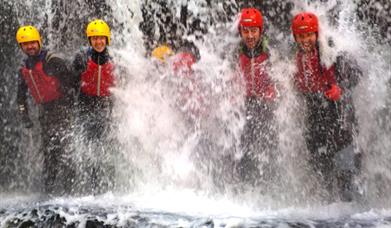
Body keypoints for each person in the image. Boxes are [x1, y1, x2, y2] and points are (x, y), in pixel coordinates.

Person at [291, 12, 362, 201]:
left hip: (340, 112)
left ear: (316, 34)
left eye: (309, 35)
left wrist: (341, 88)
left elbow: (356, 73)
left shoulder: (332, 50)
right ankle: (327, 205)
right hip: (316, 112)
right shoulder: (295, 57)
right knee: (320, 167)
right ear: (295, 37)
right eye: (301, 36)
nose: (305, 40)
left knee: (347, 170)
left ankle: (352, 206)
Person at [16, 25, 75, 195]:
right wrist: (24, 115)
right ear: (21, 46)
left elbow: (71, 82)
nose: (30, 46)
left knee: (65, 150)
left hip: (62, 109)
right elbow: (20, 96)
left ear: (39, 41)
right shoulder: (24, 68)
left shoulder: (52, 60)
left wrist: (68, 105)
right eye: (26, 44)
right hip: (45, 113)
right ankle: (48, 192)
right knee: (50, 154)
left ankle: (70, 192)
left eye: (33, 42)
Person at [235, 8, 278, 188]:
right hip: (247, 101)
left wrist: (272, 89)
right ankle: (243, 183)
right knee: (243, 141)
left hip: (266, 102)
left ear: (260, 31)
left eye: (254, 31)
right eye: (246, 31)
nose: (250, 35)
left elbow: (281, 73)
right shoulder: (236, 50)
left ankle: (267, 181)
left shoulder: (269, 49)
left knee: (267, 140)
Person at [72, 19, 116, 194]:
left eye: (102, 38)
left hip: (105, 105)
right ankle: (91, 184)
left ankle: (105, 184)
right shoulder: (82, 56)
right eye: (94, 38)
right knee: (88, 144)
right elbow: (71, 77)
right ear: (90, 40)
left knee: (103, 144)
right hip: (86, 103)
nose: (99, 42)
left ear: (107, 39)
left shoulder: (114, 58)